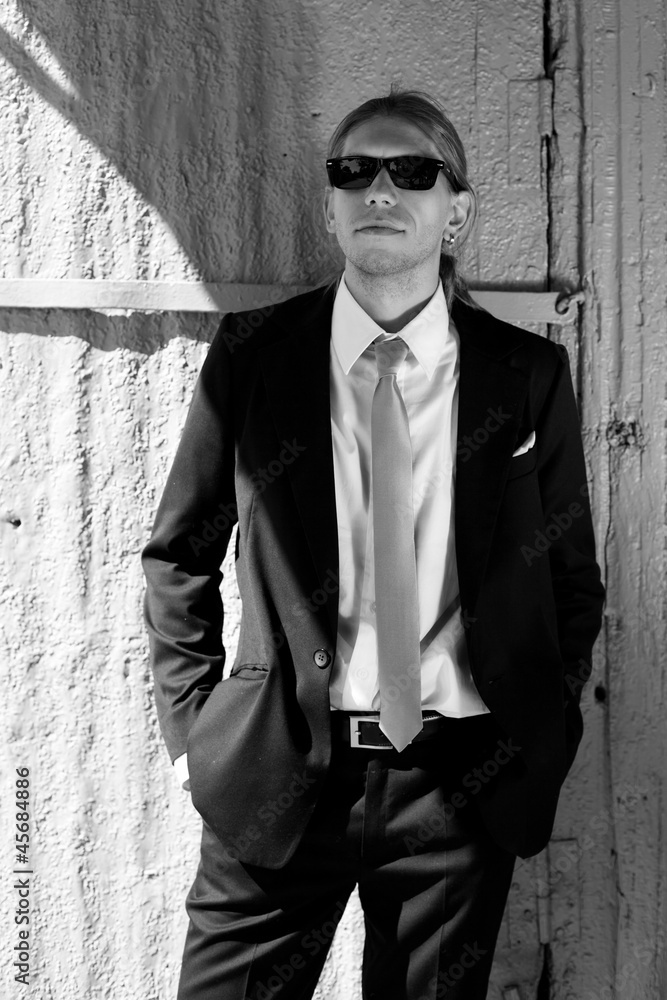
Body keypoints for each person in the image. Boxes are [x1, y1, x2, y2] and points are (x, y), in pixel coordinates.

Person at [141, 87, 605, 1000]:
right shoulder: (255, 355)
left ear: (455, 211)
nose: (379, 191)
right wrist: (195, 731)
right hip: (276, 771)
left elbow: (569, 580)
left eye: (411, 171)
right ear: (330, 207)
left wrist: (540, 731)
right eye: (353, 172)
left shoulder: (525, 374)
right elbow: (180, 552)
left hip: (459, 784)